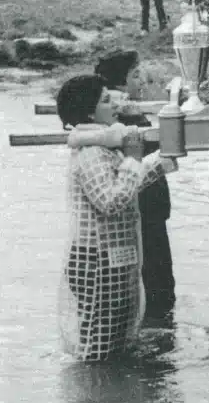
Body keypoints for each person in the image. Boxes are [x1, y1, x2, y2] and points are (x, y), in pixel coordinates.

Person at [56, 74, 178, 361]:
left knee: (118, 346)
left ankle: (112, 390)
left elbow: (129, 186)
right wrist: (134, 158)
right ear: (89, 112)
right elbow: (111, 201)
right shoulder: (91, 153)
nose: (115, 106)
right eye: (106, 101)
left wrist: (164, 159)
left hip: (113, 259)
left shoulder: (103, 146)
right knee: (99, 352)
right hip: (96, 263)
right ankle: (96, 390)